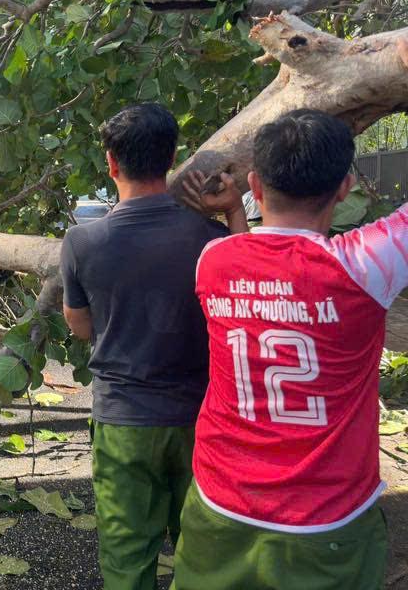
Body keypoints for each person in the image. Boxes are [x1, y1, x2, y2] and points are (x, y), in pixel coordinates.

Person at [172, 110, 408, 590]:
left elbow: (258, 273)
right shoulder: (364, 264)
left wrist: (234, 213)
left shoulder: (212, 261)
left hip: (219, 502)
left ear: (255, 185)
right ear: (344, 189)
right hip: (326, 520)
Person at [60, 103, 248, 590]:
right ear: (172, 159)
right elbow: (247, 291)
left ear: (111, 163)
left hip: (124, 423)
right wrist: (233, 211)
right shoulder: (210, 237)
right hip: (201, 421)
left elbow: (80, 327)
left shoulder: (82, 242)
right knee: (204, 555)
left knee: (127, 560)